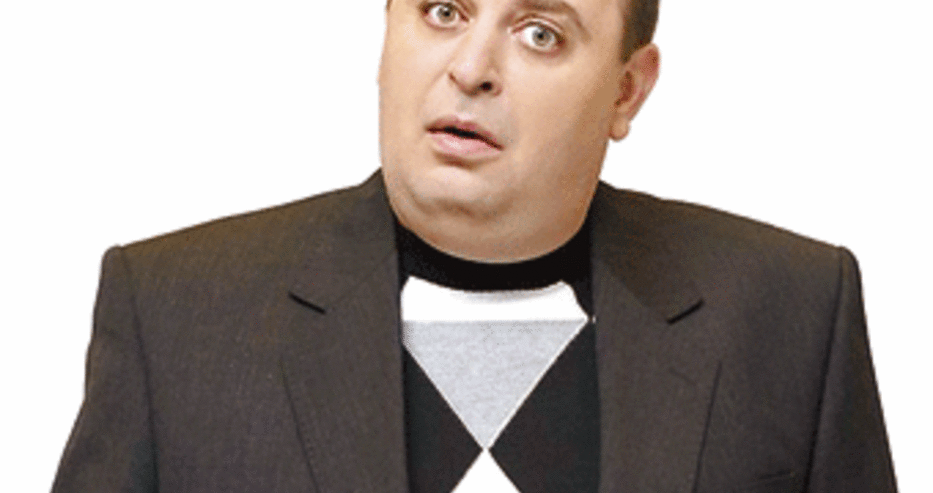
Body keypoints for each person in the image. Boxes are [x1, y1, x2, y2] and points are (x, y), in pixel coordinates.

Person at [52, 0, 897, 491]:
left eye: (539, 32)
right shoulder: (172, 311)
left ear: (625, 91)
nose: (470, 67)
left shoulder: (790, 308)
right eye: (442, 11)